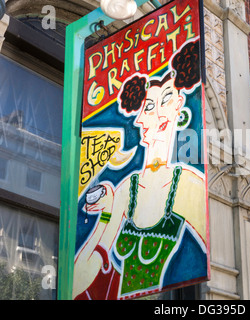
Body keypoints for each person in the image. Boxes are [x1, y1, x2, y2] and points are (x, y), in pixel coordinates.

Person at [73, 39, 207, 300]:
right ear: (140, 120)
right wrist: (105, 216)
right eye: (148, 106)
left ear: (180, 108)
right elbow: (79, 278)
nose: (156, 113)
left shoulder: (187, 185)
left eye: (166, 100)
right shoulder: (127, 188)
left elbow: (216, 254)